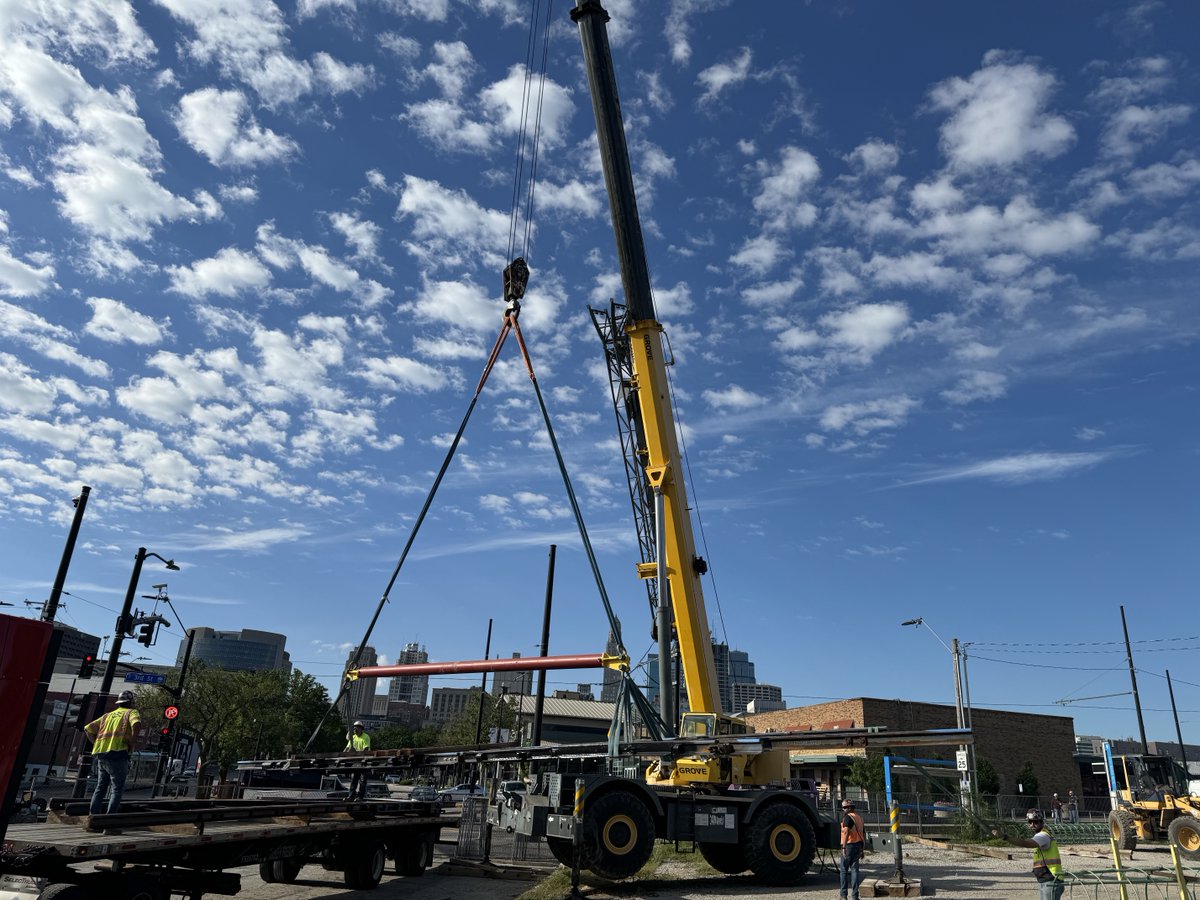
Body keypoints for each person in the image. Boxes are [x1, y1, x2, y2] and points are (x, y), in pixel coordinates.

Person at [83, 690, 142, 824]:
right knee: (117, 788)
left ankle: (93, 819)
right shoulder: (131, 712)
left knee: (101, 787)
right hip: (118, 752)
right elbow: (136, 724)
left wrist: (96, 743)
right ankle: (109, 822)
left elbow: (88, 729)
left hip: (101, 754)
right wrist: (132, 741)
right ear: (131, 702)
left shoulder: (107, 716)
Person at [992, 808, 1064, 900]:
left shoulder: (1043, 836)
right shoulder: (1042, 835)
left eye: (1035, 822)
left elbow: (1026, 843)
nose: (1032, 825)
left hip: (1051, 880)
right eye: (1030, 822)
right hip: (1047, 880)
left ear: (1041, 821)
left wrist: (1005, 837)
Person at [838, 798, 866, 900]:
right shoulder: (859, 818)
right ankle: (855, 896)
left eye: (845, 807)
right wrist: (862, 849)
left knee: (843, 871)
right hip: (858, 846)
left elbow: (845, 832)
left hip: (849, 846)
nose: (843, 809)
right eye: (843, 807)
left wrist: (844, 847)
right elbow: (863, 834)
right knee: (855, 871)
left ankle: (843, 895)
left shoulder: (847, 818)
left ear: (850, 807)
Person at [344, 721, 371, 800]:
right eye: (355, 728)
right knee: (354, 779)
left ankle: (360, 796)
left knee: (362, 780)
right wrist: (342, 756)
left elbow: (366, 749)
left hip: (364, 761)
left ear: (361, 729)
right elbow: (347, 748)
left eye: (357, 727)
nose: (356, 729)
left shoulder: (366, 736)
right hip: (355, 761)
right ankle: (351, 796)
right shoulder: (353, 738)